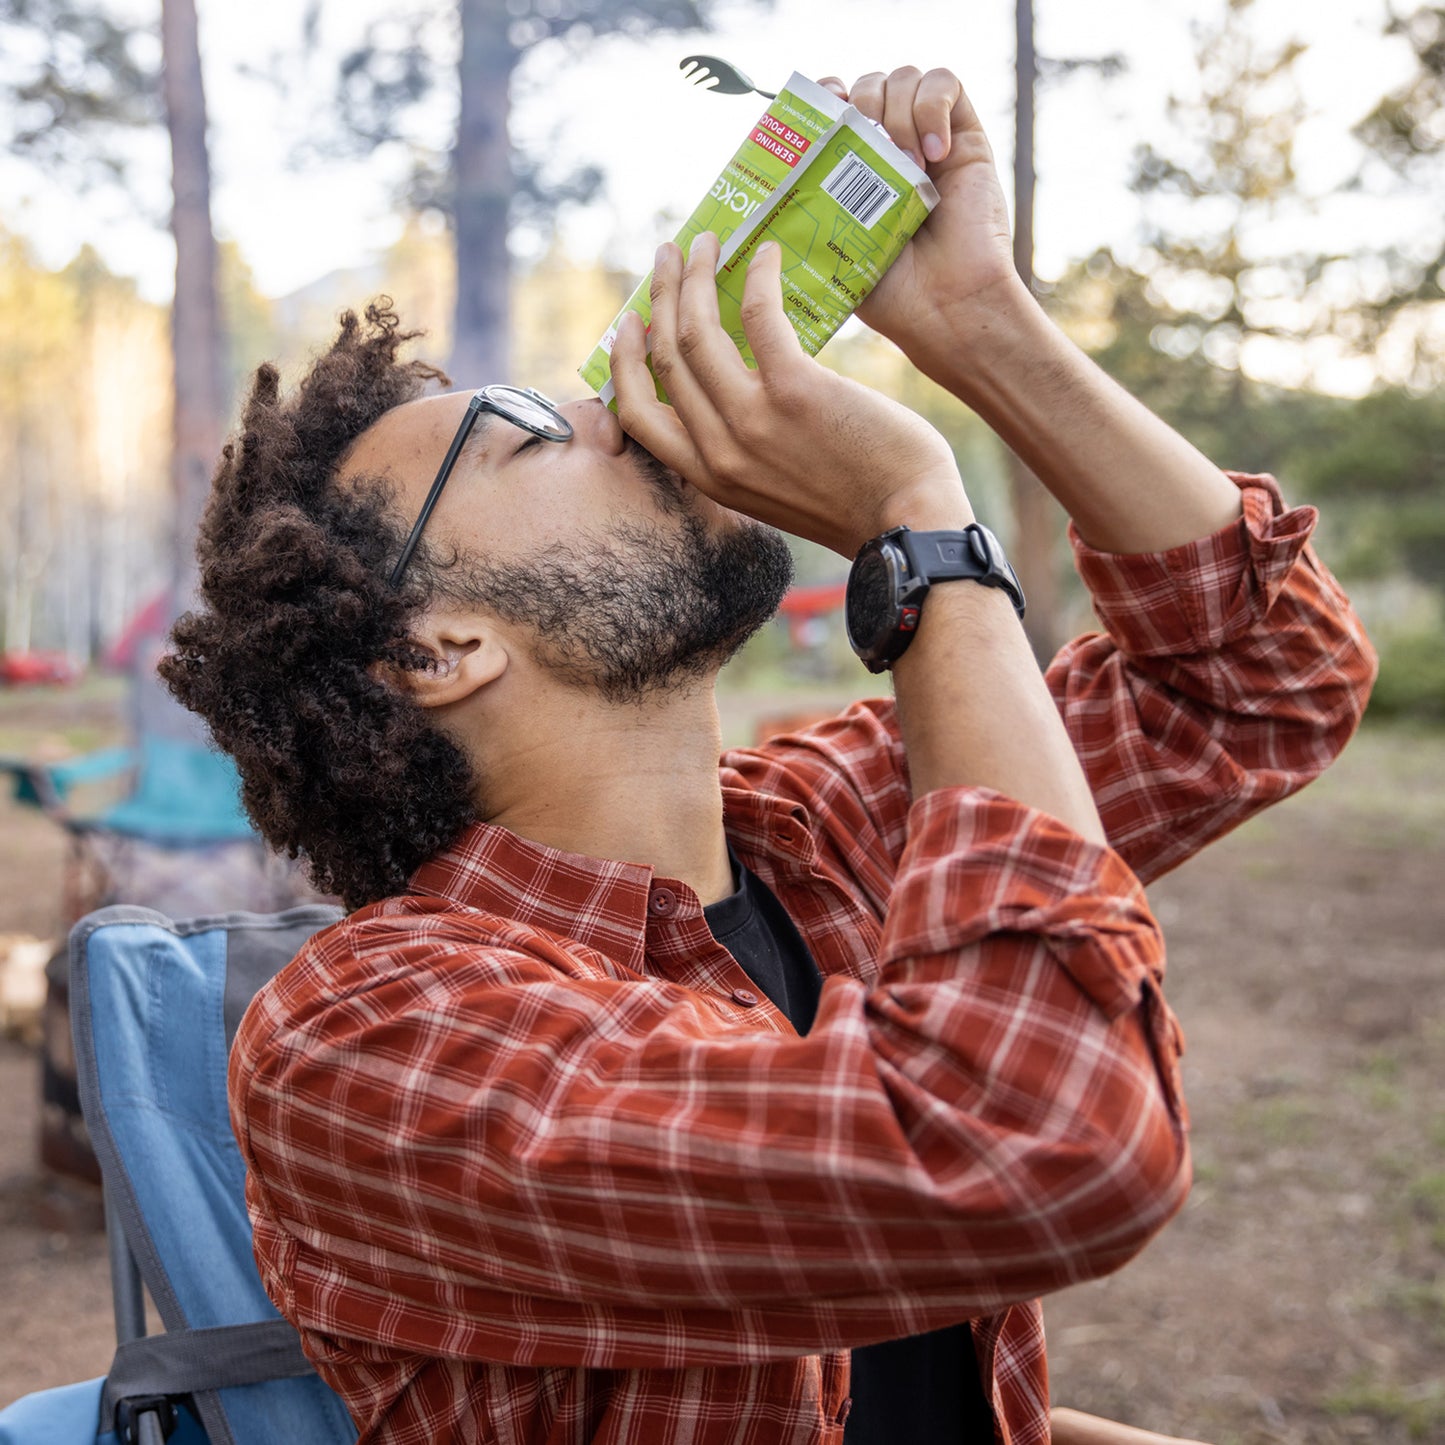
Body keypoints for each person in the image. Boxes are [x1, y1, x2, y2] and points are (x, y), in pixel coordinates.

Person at [161, 66, 1374, 1445]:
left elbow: (1261, 682)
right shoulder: (371, 1041)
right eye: (535, 431)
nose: (622, 405)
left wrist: (985, 333)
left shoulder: (818, 825)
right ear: (437, 649)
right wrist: (917, 534)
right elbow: (1035, 1141)